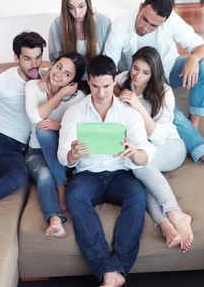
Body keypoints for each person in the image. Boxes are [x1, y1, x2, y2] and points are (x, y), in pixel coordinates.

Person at [104, 0, 204, 186]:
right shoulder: (121, 25)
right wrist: (125, 95)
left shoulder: (171, 21)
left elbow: (203, 48)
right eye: (144, 19)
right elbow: (108, 68)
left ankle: (195, 122)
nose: (145, 28)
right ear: (140, 7)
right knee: (175, 117)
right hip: (143, 81)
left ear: (163, 22)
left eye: (153, 25)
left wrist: (193, 59)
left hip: (169, 72)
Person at [58, 55, 156, 287]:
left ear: (114, 81)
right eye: (94, 86)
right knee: (75, 196)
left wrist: (134, 152)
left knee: (137, 195)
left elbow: (146, 152)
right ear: (88, 82)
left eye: (106, 86)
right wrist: (72, 154)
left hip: (119, 174)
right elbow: (63, 153)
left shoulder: (128, 112)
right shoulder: (75, 112)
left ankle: (115, 269)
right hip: (87, 175)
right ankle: (110, 271)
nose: (101, 93)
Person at [115, 46, 193, 252]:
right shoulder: (123, 79)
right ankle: (165, 224)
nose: (137, 75)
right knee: (137, 174)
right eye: (135, 68)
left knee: (138, 165)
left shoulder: (164, 92)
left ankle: (174, 212)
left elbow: (157, 137)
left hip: (170, 147)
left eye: (145, 72)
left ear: (154, 73)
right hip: (144, 150)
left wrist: (137, 105)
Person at [0, 31, 46, 210]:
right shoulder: (3, 80)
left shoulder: (46, 78)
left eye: (38, 57)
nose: (34, 65)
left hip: (12, 150)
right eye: (27, 59)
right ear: (16, 57)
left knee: (20, 177)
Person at [25, 52, 85, 238]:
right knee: (44, 174)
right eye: (59, 66)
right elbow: (35, 117)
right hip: (36, 153)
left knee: (45, 129)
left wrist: (57, 125)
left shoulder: (79, 96)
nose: (59, 74)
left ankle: (60, 184)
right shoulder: (33, 86)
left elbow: (83, 128)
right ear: (53, 64)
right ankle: (55, 219)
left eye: (68, 74)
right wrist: (60, 94)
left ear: (74, 79)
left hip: (64, 155)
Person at [48, 0, 111, 83]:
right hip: (69, 82)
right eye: (71, 8)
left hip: (98, 80)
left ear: (88, 3)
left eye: (81, 6)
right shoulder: (57, 25)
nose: (77, 13)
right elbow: (55, 61)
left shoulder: (103, 23)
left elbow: (109, 60)